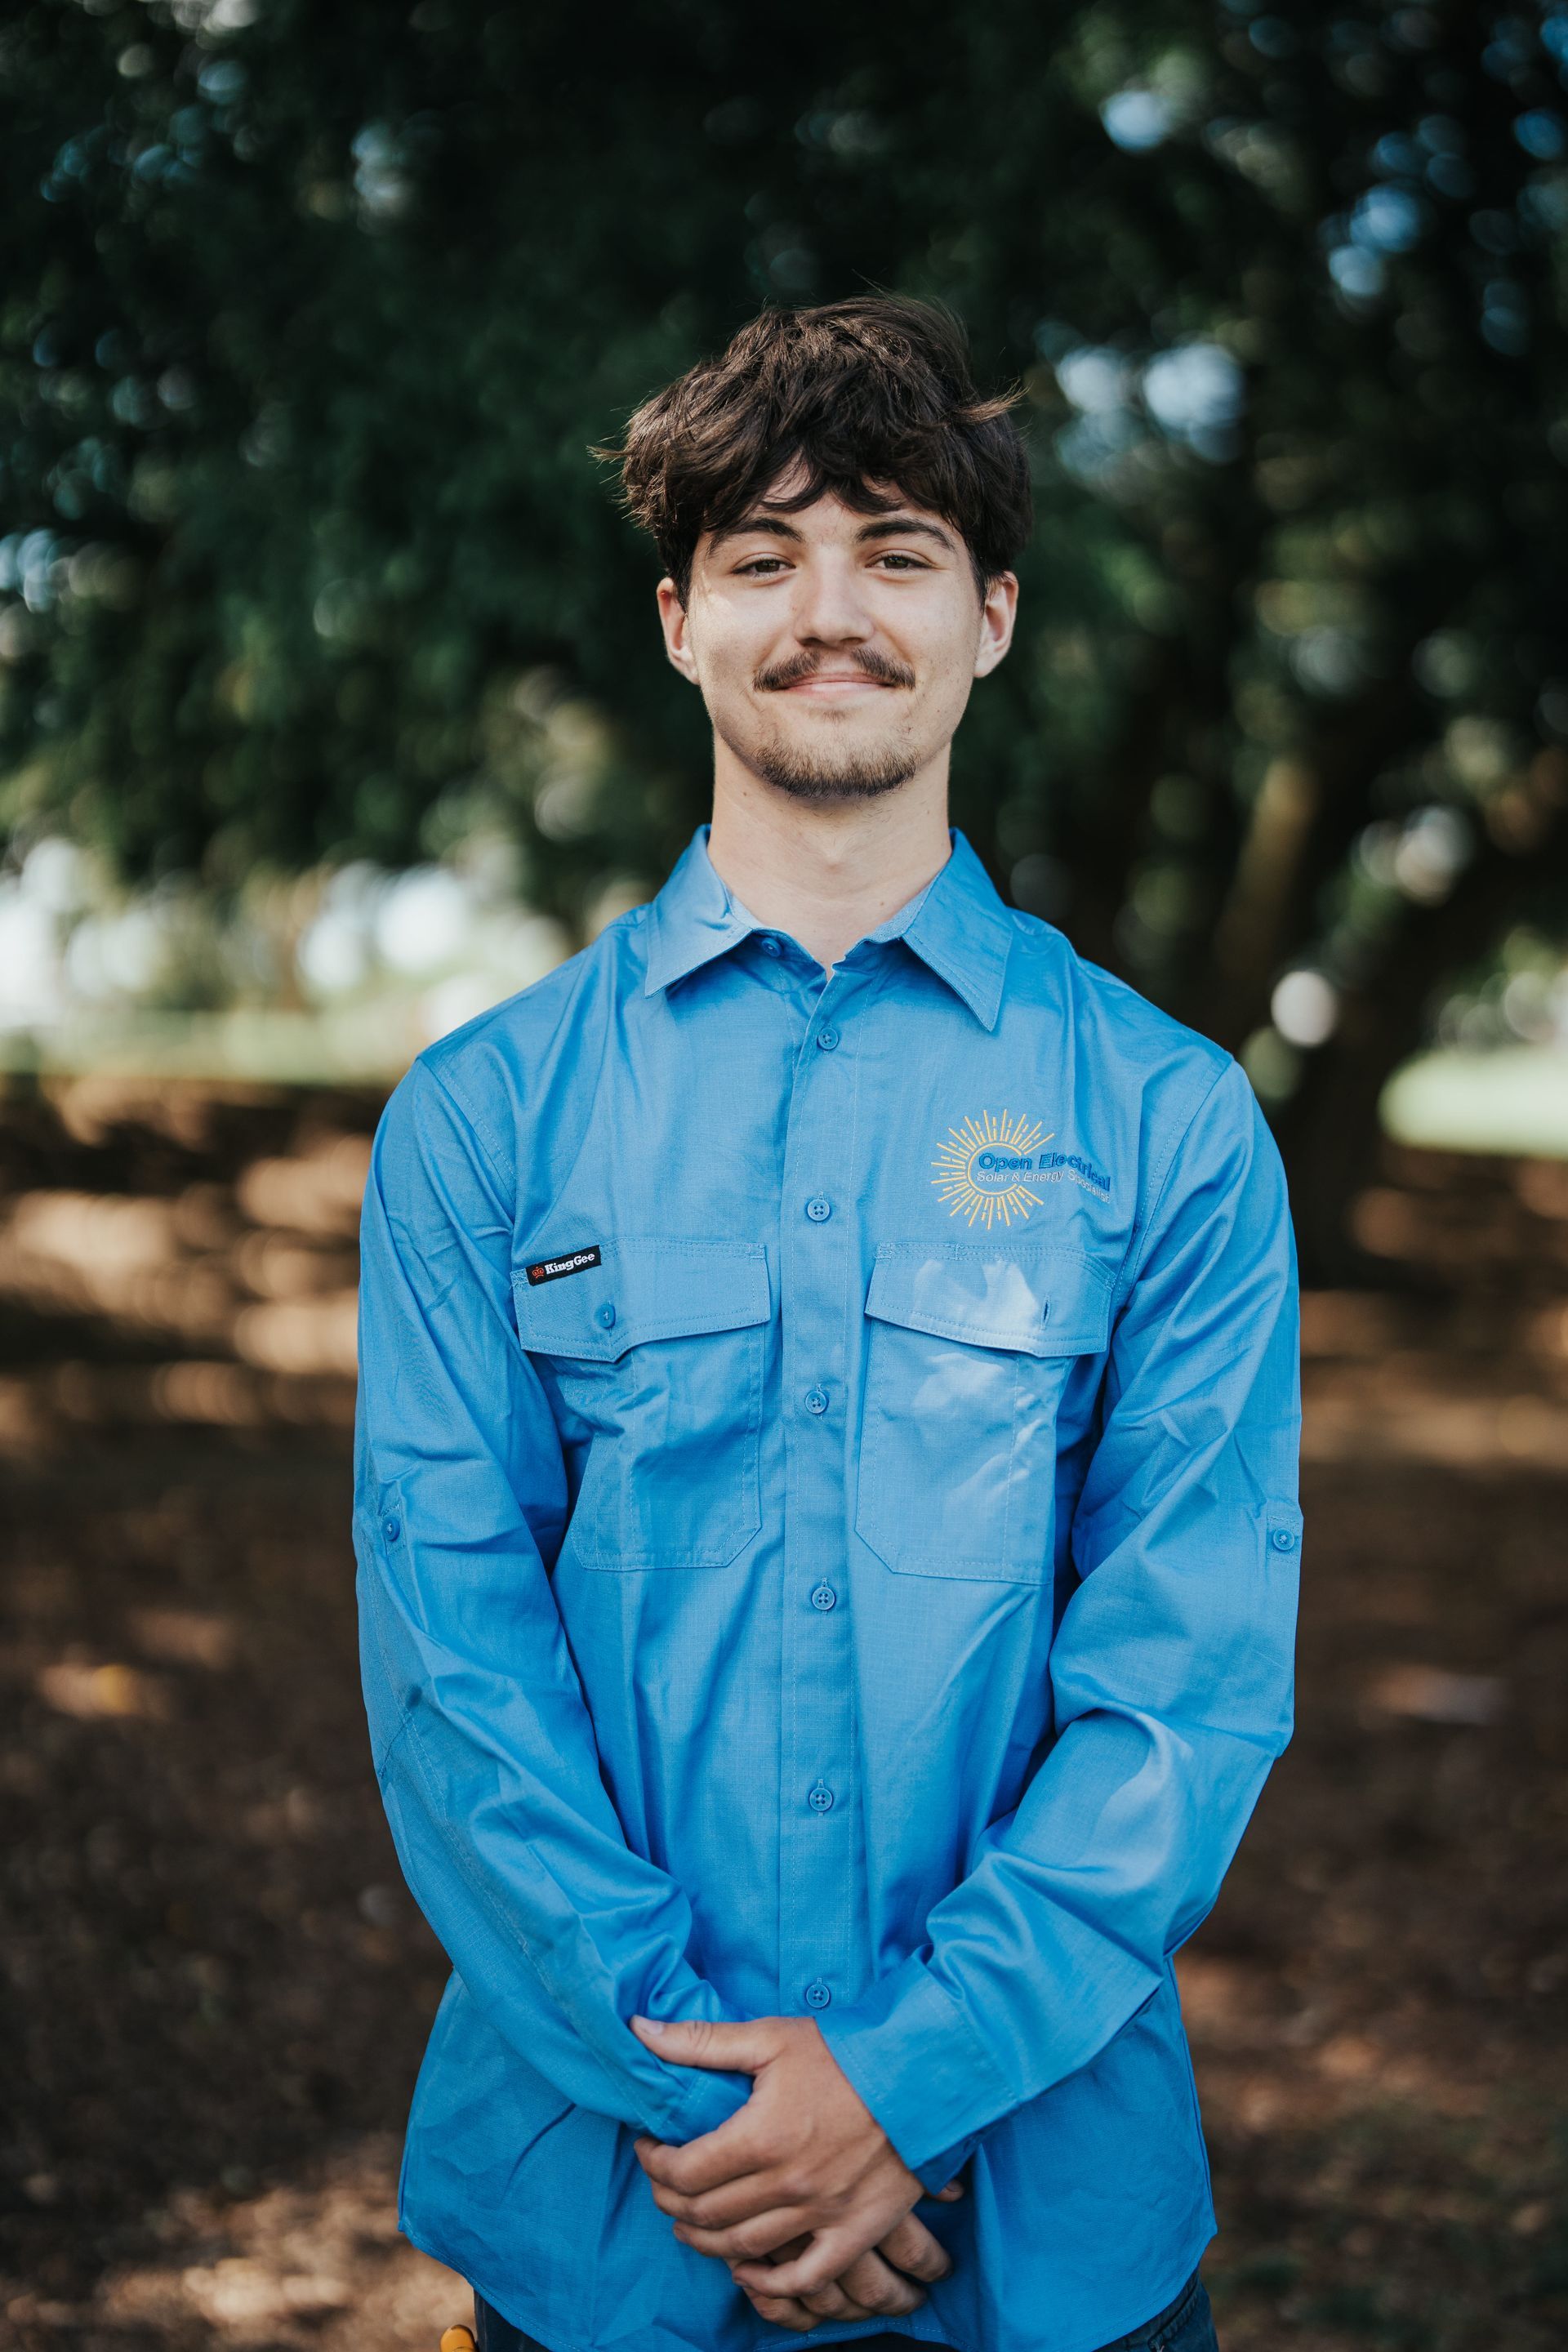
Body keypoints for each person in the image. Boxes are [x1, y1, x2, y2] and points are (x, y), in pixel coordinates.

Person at [352, 296, 1301, 2352]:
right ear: (682, 619)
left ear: (995, 619)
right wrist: (728, 2106)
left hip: (1043, 2229)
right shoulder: (484, 1120)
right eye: (766, 558)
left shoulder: (1172, 1121)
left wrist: (904, 2085)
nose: (830, 611)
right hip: (620, 2220)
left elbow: (1187, 1685)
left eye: (897, 553)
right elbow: (454, 1674)